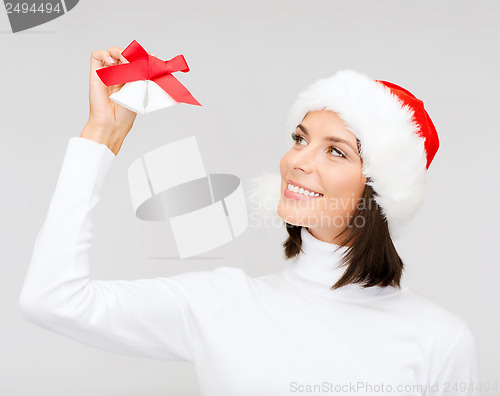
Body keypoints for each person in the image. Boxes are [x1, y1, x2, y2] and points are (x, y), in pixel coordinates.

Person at [18, 45, 481, 396]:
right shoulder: (223, 304)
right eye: (300, 139)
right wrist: (102, 135)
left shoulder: (440, 340)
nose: (298, 161)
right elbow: (51, 299)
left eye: (335, 150)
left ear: (378, 190)